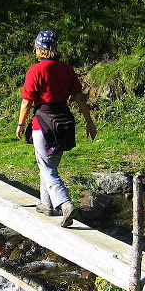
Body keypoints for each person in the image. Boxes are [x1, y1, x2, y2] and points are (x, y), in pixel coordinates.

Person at [16, 30, 96, 227]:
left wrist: (20, 124)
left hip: (43, 123)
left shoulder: (35, 70)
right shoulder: (67, 69)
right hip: (65, 124)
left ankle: (65, 204)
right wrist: (89, 122)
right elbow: (79, 98)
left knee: (47, 167)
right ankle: (46, 203)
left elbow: (26, 102)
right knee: (48, 166)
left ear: (39, 49)